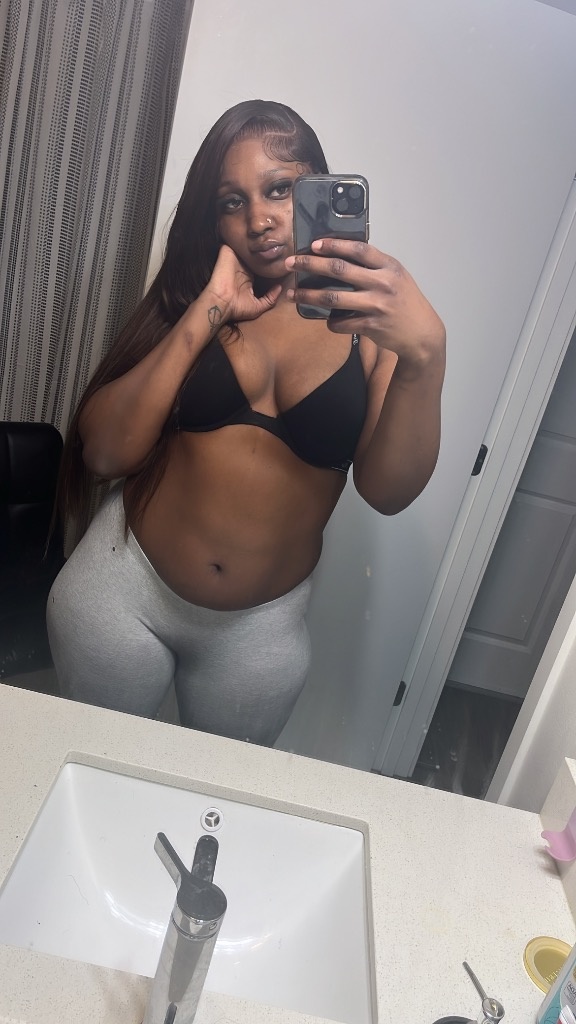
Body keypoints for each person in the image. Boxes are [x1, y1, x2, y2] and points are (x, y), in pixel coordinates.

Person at [47, 99, 446, 746]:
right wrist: (208, 310)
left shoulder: (371, 327)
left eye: (280, 189)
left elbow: (388, 491)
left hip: (257, 632)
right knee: (85, 766)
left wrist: (426, 358)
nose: (258, 219)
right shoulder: (195, 298)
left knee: (208, 797)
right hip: (124, 588)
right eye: (233, 202)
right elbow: (105, 455)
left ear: (318, 189)